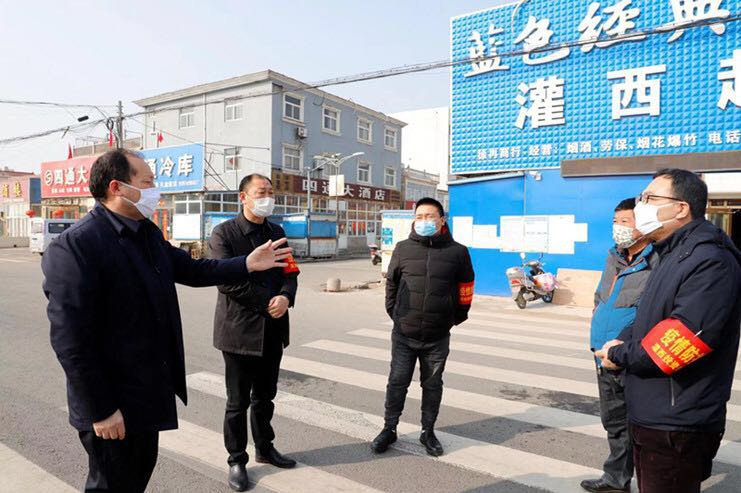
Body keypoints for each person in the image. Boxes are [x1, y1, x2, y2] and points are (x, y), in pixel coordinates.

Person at [43, 149, 291, 493]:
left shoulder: (145, 233)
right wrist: (101, 409)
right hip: (113, 400)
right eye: (148, 182)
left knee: (137, 477)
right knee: (111, 484)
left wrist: (246, 263)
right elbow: (71, 341)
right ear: (117, 187)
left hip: (148, 390)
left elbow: (193, 269)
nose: (155, 190)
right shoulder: (77, 246)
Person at [596, 168, 741, 493]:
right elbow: (649, 316)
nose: (641, 206)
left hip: (677, 421)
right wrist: (623, 339)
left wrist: (619, 353)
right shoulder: (671, 253)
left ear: (680, 208)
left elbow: (682, 339)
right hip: (653, 411)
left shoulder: (710, 261)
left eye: (649, 198)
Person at [209, 174, 299, 491]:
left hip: (273, 328)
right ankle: (236, 460)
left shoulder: (277, 232)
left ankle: (265, 447)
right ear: (243, 197)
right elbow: (226, 281)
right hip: (238, 332)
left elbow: (290, 272)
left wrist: (285, 297)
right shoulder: (224, 234)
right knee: (237, 403)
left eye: (271, 192)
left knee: (265, 397)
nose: (268, 197)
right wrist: (267, 302)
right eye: (261, 192)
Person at [371, 197, 475, 457]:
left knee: (432, 384)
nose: (424, 221)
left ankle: (428, 431)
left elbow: (466, 288)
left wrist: (454, 317)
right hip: (404, 334)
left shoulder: (458, 252)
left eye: (429, 216)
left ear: (442, 220)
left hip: (437, 336)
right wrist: (395, 312)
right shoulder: (403, 248)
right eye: (419, 216)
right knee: (397, 382)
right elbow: (392, 283)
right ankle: (389, 428)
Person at [581, 198, 656, 493]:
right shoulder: (613, 256)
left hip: (631, 354)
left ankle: (653, 481)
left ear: (643, 225)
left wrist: (624, 344)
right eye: (615, 221)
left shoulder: (657, 260)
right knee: (613, 420)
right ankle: (616, 478)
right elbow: (601, 296)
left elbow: (652, 312)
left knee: (639, 424)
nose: (618, 228)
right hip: (602, 352)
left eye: (625, 222)